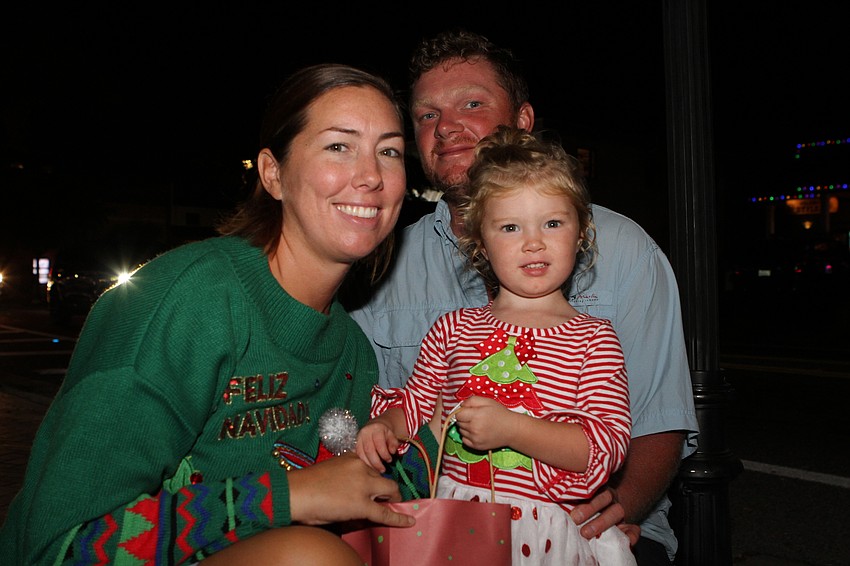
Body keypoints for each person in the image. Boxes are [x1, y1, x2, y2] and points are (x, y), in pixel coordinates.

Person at [0, 63, 413, 566]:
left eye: (389, 151)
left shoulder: (354, 353)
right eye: (339, 146)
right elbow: (59, 549)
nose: (371, 176)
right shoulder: (186, 301)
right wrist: (287, 496)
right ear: (273, 174)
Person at [347, 29, 699, 565]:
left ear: (524, 120)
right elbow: (407, 407)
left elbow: (659, 422)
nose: (446, 127)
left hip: (591, 520)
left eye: (472, 104)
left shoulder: (625, 251)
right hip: (448, 523)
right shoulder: (382, 264)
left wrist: (615, 509)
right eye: (426, 115)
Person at [357, 126, 637, 565]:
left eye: (552, 223)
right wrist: (385, 427)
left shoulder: (594, 339)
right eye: (509, 227)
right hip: (455, 522)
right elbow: (416, 406)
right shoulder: (452, 329)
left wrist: (513, 429)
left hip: (550, 538)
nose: (533, 242)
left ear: (581, 232)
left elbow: (604, 446)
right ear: (481, 244)